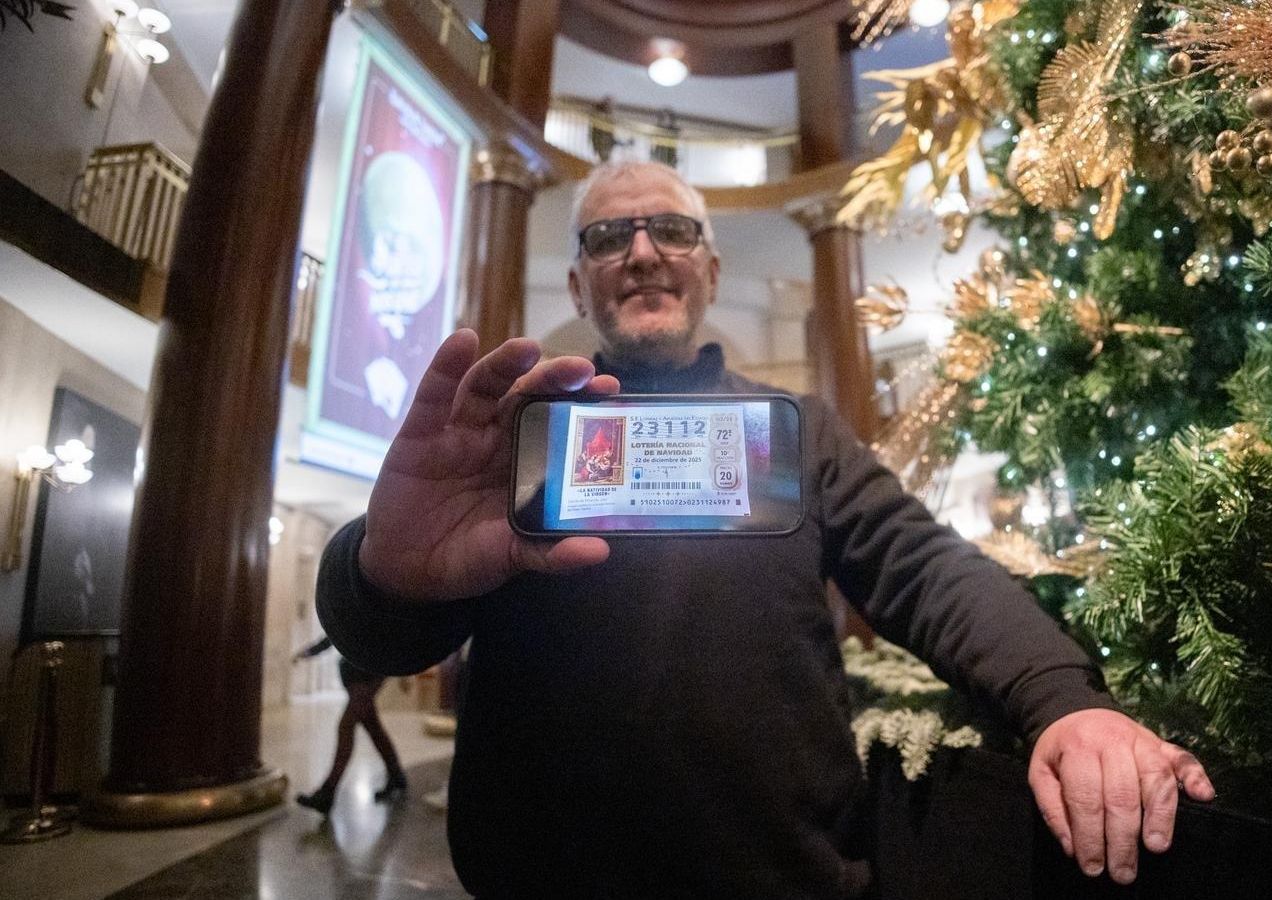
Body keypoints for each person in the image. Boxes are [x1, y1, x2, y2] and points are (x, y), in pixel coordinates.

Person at [316, 160, 1213, 898]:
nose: (641, 252)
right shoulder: (522, 433)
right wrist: (380, 571)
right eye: (607, 236)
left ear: (709, 270)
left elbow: (924, 569)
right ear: (577, 283)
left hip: (787, 881)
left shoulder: (798, 428)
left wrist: (1063, 701)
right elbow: (390, 625)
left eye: (672, 231)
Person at [292, 634, 408, 815]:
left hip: (369, 675)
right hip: (358, 675)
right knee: (373, 728)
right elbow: (336, 631)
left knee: (346, 726)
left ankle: (328, 791)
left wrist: (403, 671)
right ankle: (396, 775)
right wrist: (309, 651)